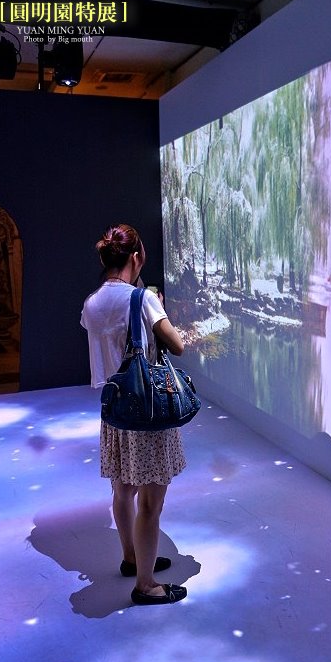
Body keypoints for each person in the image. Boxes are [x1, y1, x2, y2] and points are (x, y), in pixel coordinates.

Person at [80, 224, 188, 606]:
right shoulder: (143, 299)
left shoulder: (91, 303)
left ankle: (131, 557)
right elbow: (177, 346)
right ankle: (146, 584)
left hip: (114, 409)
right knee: (151, 505)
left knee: (122, 490)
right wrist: (157, 307)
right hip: (147, 411)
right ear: (137, 256)